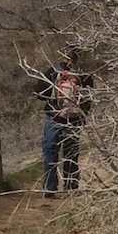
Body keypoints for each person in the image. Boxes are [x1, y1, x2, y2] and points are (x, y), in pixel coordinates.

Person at [36, 49, 94, 198]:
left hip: (54, 118)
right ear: (77, 57)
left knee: (50, 152)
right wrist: (82, 114)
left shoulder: (52, 72)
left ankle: (50, 187)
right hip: (74, 121)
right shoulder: (84, 75)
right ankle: (71, 186)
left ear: (62, 56)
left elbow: (39, 94)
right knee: (71, 154)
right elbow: (90, 98)